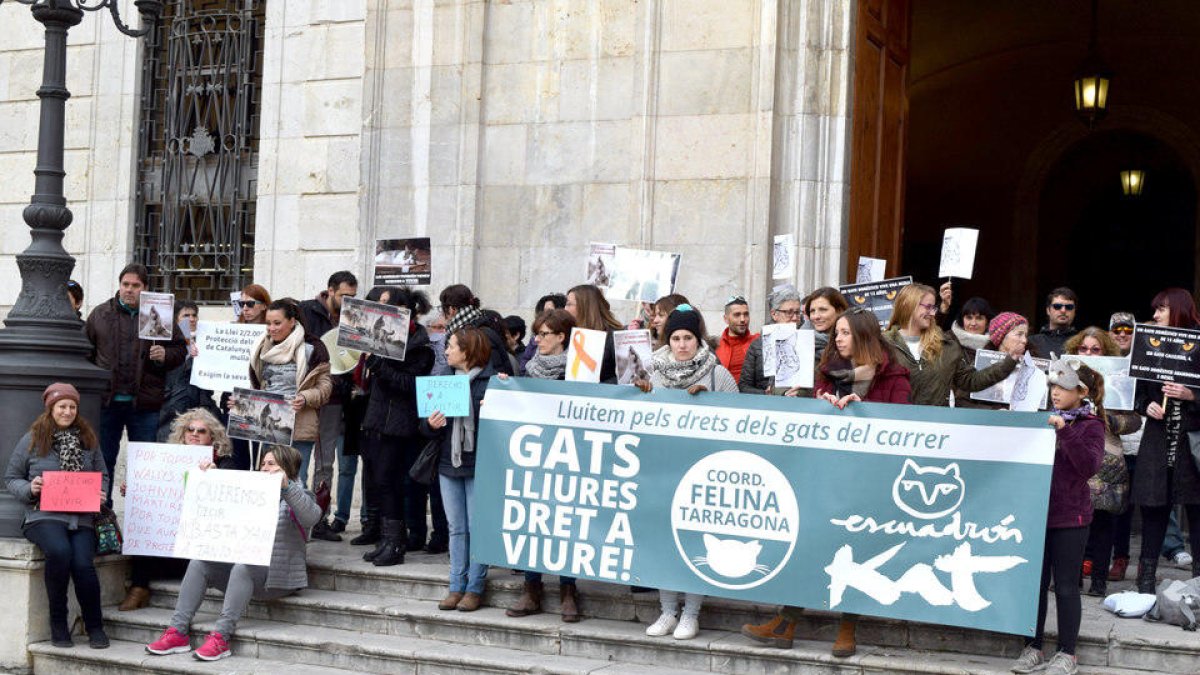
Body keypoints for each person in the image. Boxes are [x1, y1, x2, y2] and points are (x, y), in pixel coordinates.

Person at [743, 308, 910, 656]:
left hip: (868, 480)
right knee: (809, 543)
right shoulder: (828, 369)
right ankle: (786, 620)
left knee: (855, 550)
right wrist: (818, 402)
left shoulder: (894, 376)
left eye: (846, 333)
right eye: (837, 333)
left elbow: (903, 424)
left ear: (863, 337)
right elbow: (815, 409)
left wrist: (863, 409)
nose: (838, 339)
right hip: (824, 474)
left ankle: (847, 626)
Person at [144, 445, 321, 661]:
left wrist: (288, 488)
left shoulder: (301, 495)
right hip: (247, 576)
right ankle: (177, 632)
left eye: (271, 464)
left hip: (279, 579)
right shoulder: (251, 492)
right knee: (200, 563)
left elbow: (312, 517)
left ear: (288, 468)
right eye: (262, 464)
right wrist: (210, 479)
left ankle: (221, 637)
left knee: (242, 566)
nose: (264, 469)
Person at [634, 305, 738, 640]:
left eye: (688, 338)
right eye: (676, 338)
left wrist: (710, 403)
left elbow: (740, 419)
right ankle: (667, 611)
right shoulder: (655, 373)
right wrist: (643, 395)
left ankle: (691, 614)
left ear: (698, 339)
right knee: (665, 541)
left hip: (703, 471)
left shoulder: (716, 374)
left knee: (694, 541)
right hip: (663, 469)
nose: (681, 345)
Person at [1009, 360, 1104, 675]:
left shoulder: (1091, 424)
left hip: (1071, 517)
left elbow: (1089, 466)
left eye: (1063, 387)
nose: (1056, 393)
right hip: (1037, 513)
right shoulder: (1040, 419)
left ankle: (1068, 653)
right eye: (1053, 386)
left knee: (1065, 586)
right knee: (1034, 585)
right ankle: (1032, 646)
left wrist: (1065, 432)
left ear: (1081, 391)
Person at [4, 383, 109, 649]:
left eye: (72, 406)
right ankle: (58, 624)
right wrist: (31, 488)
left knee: (84, 563)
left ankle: (95, 626)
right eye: (62, 406)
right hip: (44, 516)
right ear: (50, 408)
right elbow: (11, 478)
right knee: (60, 552)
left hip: (81, 517)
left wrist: (101, 494)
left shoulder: (88, 439)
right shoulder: (32, 439)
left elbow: (103, 476)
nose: (67, 411)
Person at [85, 263, 187, 505]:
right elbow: (86, 353)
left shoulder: (159, 313)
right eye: (125, 285)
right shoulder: (100, 314)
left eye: (135, 286)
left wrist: (165, 355)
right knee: (104, 458)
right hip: (107, 402)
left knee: (145, 465)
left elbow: (180, 350)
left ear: (145, 288)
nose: (129, 290)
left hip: (144, 403)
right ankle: (102, 515)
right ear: (119, 286)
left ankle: (142, 519)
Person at [506, 308, 583, 622]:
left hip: (568, 453)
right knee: (533, 519)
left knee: (565, 521)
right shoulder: (529, 369)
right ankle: (531, 587)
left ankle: (568, 590)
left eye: (543, 334)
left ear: (562, 336)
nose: (536, 340)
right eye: (536, 334)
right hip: (536, 452)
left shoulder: (579, 370)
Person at [120, 408, 235, 612]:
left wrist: (215, 478)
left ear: (212, 437)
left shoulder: (224, 462)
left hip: (197, 545)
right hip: (166, 544)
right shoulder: (163, 460)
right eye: (190, 430)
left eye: (201, 431)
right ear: (182, 434)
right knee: (144, 527)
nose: (195, 434)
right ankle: (139, 589)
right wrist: (136, 489)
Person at [359, 287, 436, 567]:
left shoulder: (420, 346)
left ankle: (396, 543)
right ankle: (388, 538)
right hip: (379, 419)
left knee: (391, 481)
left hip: (400, 424)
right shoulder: (385, 340)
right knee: (379, 481)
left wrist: (379, 365)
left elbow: (410, 386)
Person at [421, 327, 496, 612]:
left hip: (478, 463)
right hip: (447, 463)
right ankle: (456, 585)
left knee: (477, 526)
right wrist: (431, 424)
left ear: (467, 350)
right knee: (456, 527)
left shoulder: (489, 383)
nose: (446, 351)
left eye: (451, 346)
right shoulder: (443, 381)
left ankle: (475, 586)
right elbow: (424, 428)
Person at [1131, 288, 1200, 591]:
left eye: (1162, 309)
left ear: (1180, 310)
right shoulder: (1149, 343)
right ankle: (1145, 581)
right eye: (1155, 309)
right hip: (1158, 441)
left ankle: (1197, 584)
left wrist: (1190, 394)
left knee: (1197, 512)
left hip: (1191, 443)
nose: (1156, 315)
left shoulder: (1198, 342)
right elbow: (1137, 393)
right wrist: (1147, 405)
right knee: (1153, 508)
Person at [1064, 328, 1141, 595]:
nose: (1088, 354)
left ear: (1106, 352)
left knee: (1103, 523)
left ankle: (1099, 581)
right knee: (1072, 521)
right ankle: (1071, 579)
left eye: (1095, 350)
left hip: (1106, 458)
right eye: (1083, 349)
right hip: (1072, 456)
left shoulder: (1119, 380)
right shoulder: (1063, 377)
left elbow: (1135, 420)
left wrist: (1110, 420)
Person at [882, 284, 1017, 406]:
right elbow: (867, 382)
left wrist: (1008, 363)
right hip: (894, 427)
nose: (932, 313)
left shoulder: (946, 345)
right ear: (908, 305)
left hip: (935, 428)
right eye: (928, 307)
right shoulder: (882, 344)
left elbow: (971, 381)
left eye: (933, 308)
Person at [247, 299, 332, 488]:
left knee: (295, 483)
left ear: (292, 321)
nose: (271, 328)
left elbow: (325, 389)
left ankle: (295, 519)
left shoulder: (312, 349)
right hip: (269, 429)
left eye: (277, 323)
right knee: (268, 483)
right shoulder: (261, 348)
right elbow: (258, 387)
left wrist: (304, 397)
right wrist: (244, 404)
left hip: (299, 427)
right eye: (268, 323)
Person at [299, 271, 359, 542]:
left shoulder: (353, 317)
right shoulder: (305, 311)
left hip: (335, 398)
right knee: (297, 459)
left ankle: (319, 519)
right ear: (330, 291)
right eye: (346, 296)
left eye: (353, 297)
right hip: (307, 397)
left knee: (325, 463)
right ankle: (295, 518)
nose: (350, 302)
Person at [157, 300, 219, 442]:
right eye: (186, 315)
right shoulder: (165, 342)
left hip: (199, 406)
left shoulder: (207, 342)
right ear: (176, 319)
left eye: (194, 315)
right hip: (171, 409)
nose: (191, 319)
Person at [739, 288, 804, 395]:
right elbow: (744, 386)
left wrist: (801, 393)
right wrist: (766, 394)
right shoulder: (757, 345)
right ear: (774, 314)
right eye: (789, 312)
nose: (795, 318)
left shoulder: (806, 342)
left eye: (797, 312)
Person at [439, 284, 513, 375]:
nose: (447, 352)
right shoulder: (476, 328)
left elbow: (494, 373)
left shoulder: (480, 335)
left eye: (442, 308)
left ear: (451, 309)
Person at [565, 284, 624, 383]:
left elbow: (625, 378)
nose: (565, 309)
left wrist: (597, 389)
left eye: (569, 304)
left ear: (585, 306)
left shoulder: (614, 336)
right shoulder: (569, 333)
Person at [716, 294, 758, 382]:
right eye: (737, 315)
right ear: (726, 319)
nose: (743, 319)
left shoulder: (758, 341)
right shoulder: (715, 346)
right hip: (724, 394)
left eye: (746, 314)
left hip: (753, 393)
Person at [1027, 287, 1078, 359]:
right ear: (1048, 310)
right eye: (1057, 306)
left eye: (1069, 307)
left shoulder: (1082, 343)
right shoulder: (1031, 342)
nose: (1063, 310)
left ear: (1074, 311)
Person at [519, 293, 567, 369]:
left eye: (544, 334)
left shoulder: (571, 351)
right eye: (542, 312)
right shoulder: (534, 341)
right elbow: (524, 365)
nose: (537, 339)